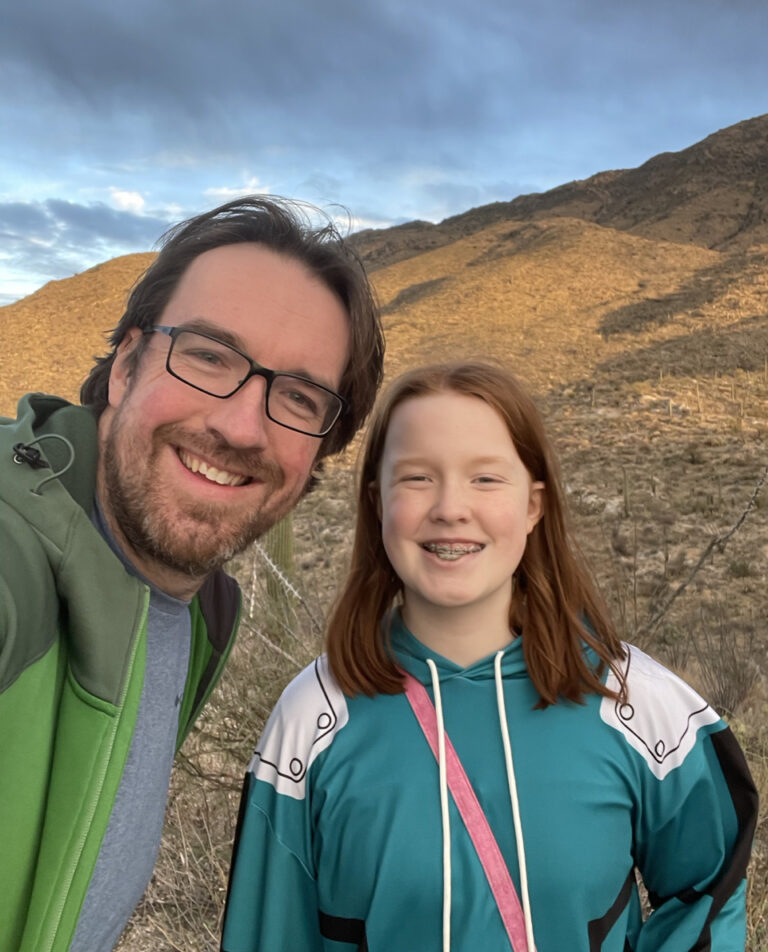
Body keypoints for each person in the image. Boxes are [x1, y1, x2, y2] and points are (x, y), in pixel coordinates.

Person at [222, 362, 757, 952]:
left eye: (485, 479)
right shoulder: (310, 720)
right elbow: (268, 935)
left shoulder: (634, 701)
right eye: (418, 478)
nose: (451, 508)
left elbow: (709, 889)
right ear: (377, 503)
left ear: (533, 506)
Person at [0, 196, 384, 952]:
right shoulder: (18, 560)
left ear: (319, 456)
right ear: (126, 365)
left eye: (299, 397)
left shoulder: (200, 609)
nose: (241, 425)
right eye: (209, 354)